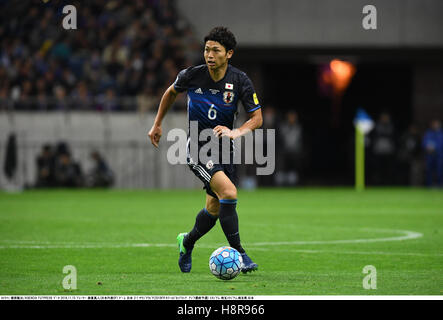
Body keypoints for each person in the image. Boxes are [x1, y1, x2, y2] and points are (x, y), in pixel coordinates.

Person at [148, 27, 262, 274]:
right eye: (207, 49)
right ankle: (241, 254)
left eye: (216, 50)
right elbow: (170, 93)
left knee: (214, 207)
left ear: (229, 53)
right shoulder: (192, 75)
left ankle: (186, 243)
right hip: (198, 147)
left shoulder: (240, 80)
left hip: (225, 149)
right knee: (229, 193)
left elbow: (257, 118)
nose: (209, 55)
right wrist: (157, 123)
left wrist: (235, 132)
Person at [422, 120, 443, 187]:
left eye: (437, 124)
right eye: (434, 124)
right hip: (430, 156)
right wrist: (427, 147)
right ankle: (429, 185)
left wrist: (435, 148)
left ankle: (440, 185)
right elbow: (424, 143)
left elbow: (441, 144)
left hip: (439, 155)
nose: (435, 125)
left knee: (439, 171)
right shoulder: (428, 133)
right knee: (429, 170)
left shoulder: (441, 134)